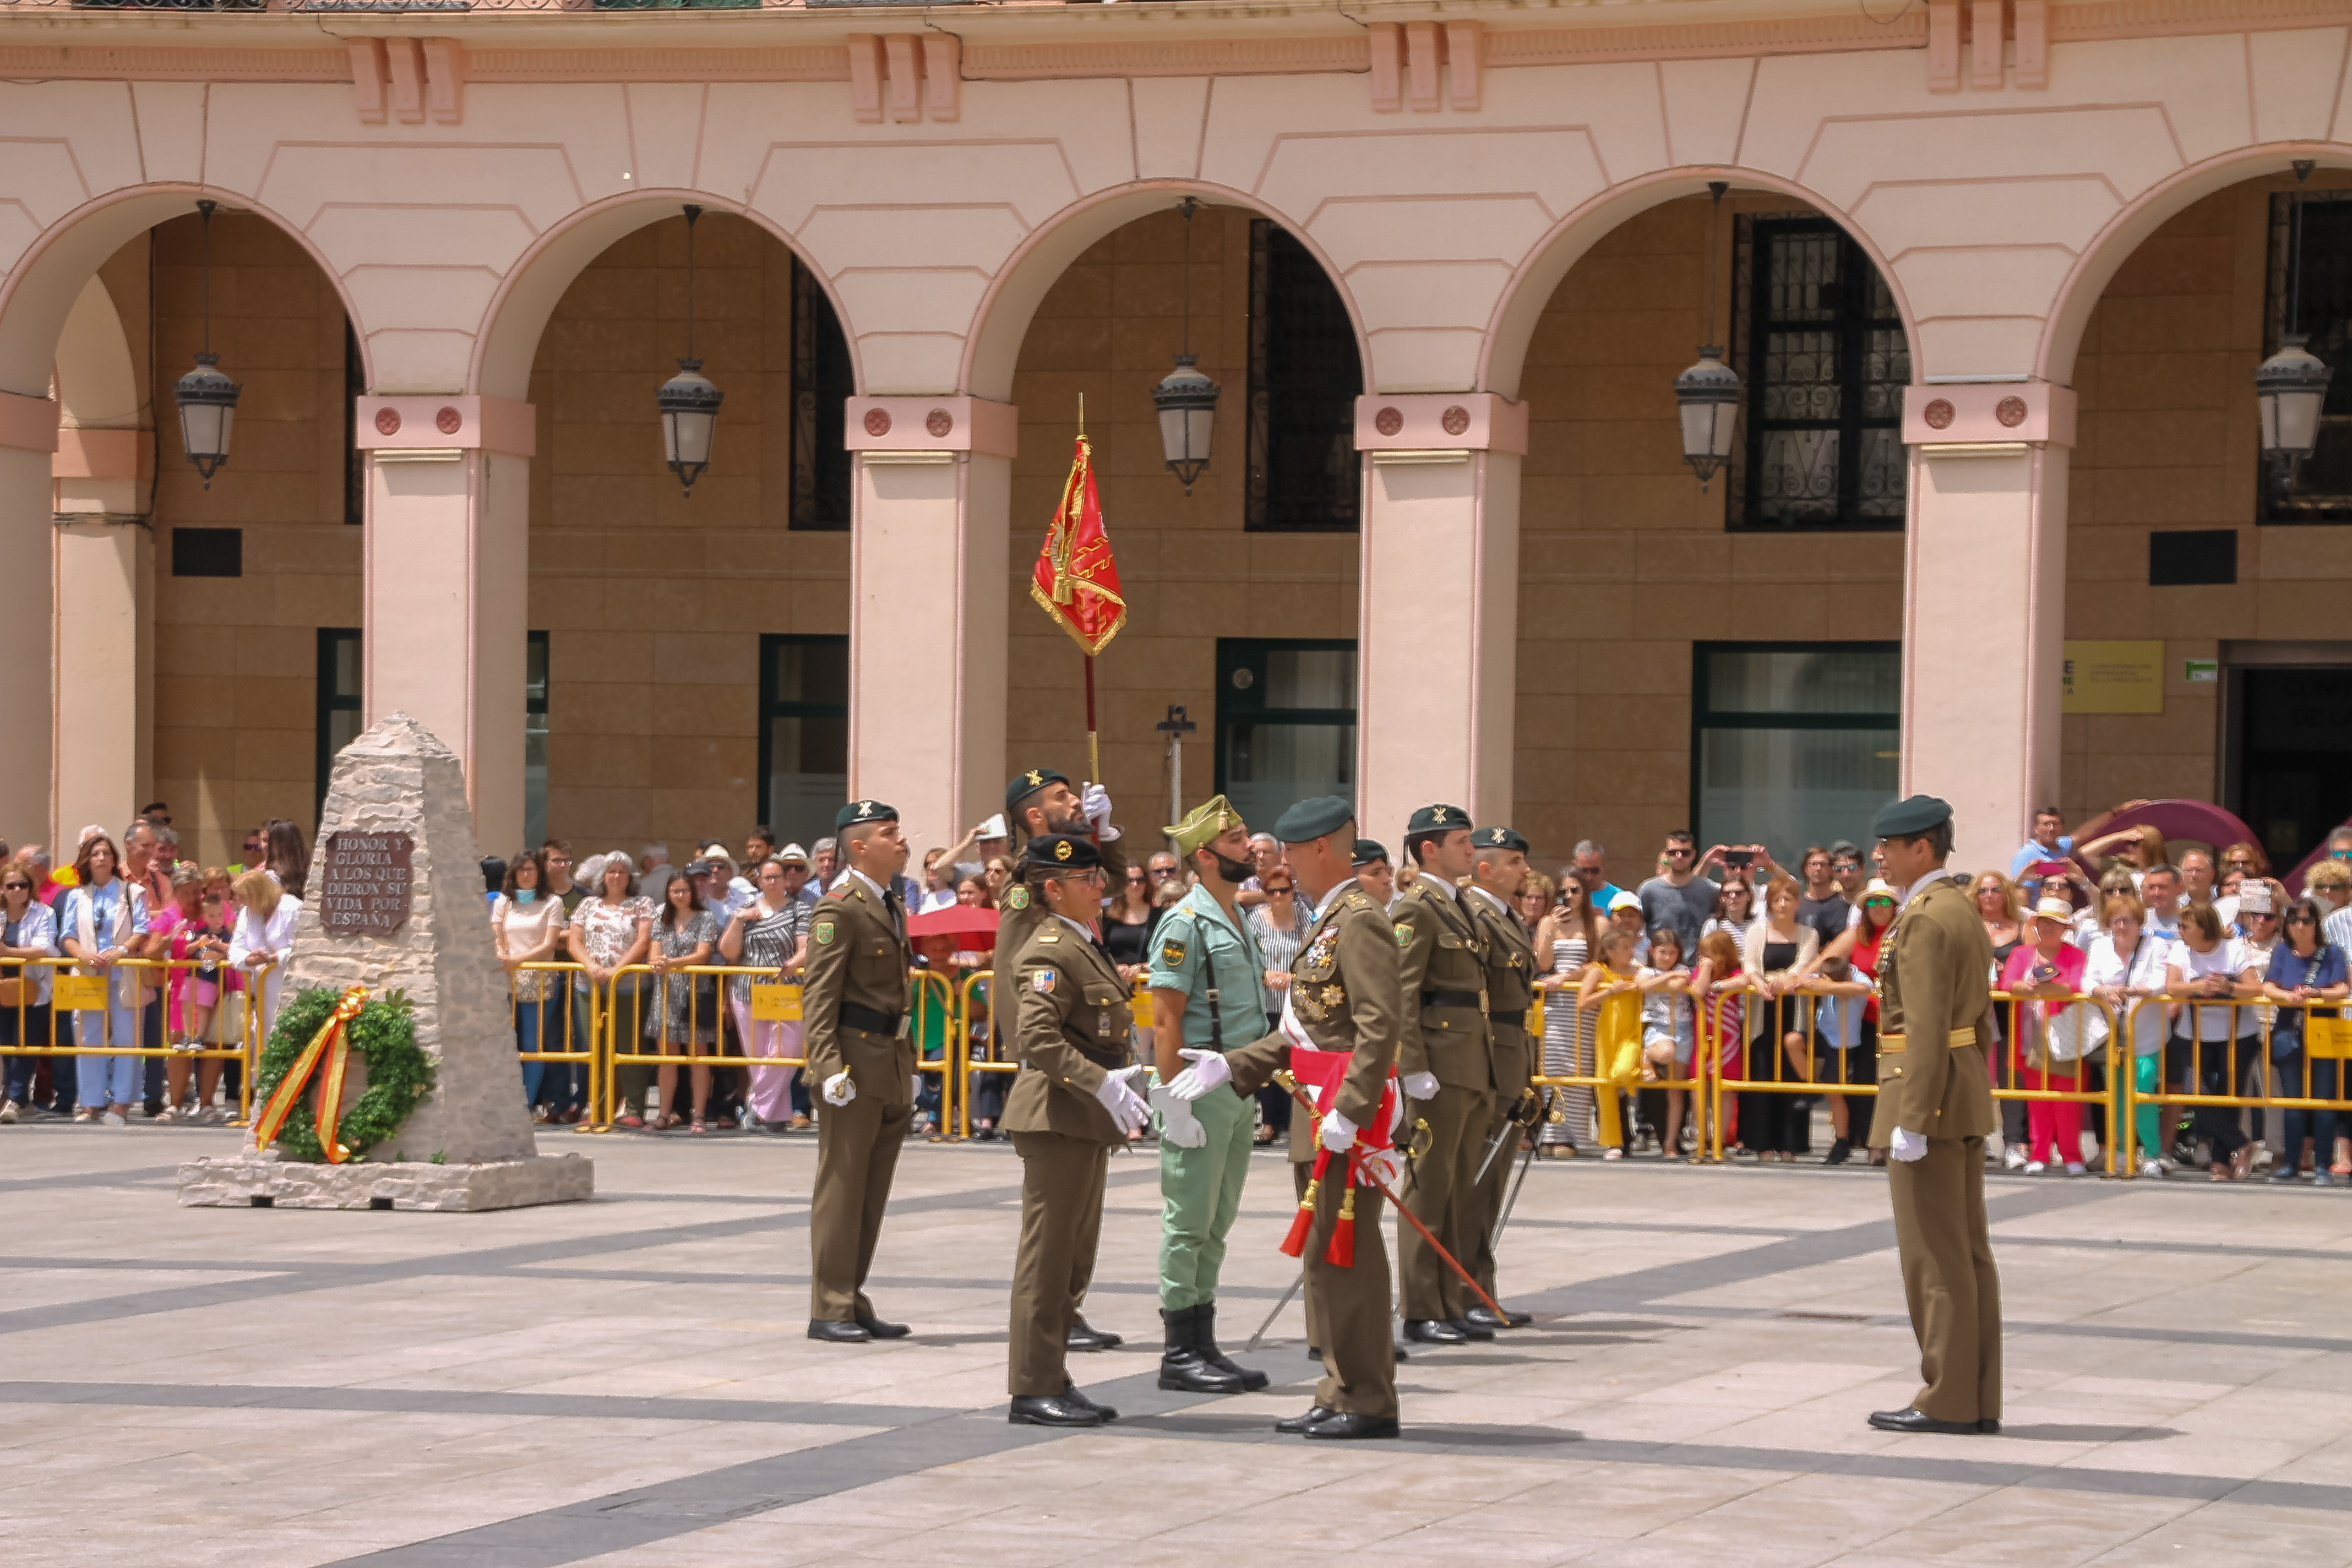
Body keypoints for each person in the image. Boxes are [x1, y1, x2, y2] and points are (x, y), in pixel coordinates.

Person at [1166, 794, 1405, 1441]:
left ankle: (1368, 1399)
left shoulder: (1358, 919)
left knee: (1347, 1255)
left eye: (1292, 853)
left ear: (1320, 848)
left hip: (1345, 1110)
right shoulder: (1329, 919)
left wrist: (1352, 1113)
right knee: (1330, 1258)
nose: (1281, 866)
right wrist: (1233, 1065)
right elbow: (1307, 1029)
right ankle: (1341, 1385)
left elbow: (1378, 1026)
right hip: (1322, 1102)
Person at [992, 832, 1147, 1425]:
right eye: (1085, 879)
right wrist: (1101, 1082)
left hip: (1081, 1116)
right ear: (1052, 889)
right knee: (1048, 1257)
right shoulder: (1049, 947)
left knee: (1074, 1258)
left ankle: (1053, 1373)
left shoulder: (1084, 943)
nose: (1098, 885)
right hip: (1056, 1114)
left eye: (1098, 876)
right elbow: (1036, 1038)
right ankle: (1032, 1385)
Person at [1866, 794, 2002, 1436]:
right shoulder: (1960, 907)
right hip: (1961, 1089)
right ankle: (1975, 1395)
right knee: (1967, 1252)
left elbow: (1922, 1030)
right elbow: (1983, 1022)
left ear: (1921, 846)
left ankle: (1946, 1397)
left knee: (1935, 1257)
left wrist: (1912, 1117)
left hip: (1929, 1097)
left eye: (1889, 846)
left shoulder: (1923, 918)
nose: (1880, 856)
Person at [1146, 797, 1275, 1395]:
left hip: (1235, 1086)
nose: (1249, 847)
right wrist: (1172, 1100)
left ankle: (1204, 1342)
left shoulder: (1236, 915)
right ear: (1205, 855)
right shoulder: (1186, 923)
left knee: (1217, 1220)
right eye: (1238, 839)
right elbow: (1167, 1020)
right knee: (1188, 1221)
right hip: (1196, 1090)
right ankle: (1179, 1350)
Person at [801, 799, 918, 1343]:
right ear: (859, 846)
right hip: (851, 1064)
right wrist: (827, 1069)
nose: (902, 842)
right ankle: (829, 1305)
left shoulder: (889, 902)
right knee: (843, 1188)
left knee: (871, 1192)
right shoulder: (839, 909)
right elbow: (818, 998)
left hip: (889, 1059)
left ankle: (852, 1294)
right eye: (890, 834)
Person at [1391, 804, 1495, 1346]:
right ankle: (1420, 1305)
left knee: (1457, 1189)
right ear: (1429, 848)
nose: (1471, 851)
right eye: (1461, 842)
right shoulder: (1417, 908)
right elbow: (1404, 991)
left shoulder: (1458, 904)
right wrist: (1413, 1068)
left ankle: (1450, 1299)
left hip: (1467, 1062)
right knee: (1428, 1189)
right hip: (1438, 1063)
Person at [1460, 826, 1537, 1324]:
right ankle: (1464, 1292)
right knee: (1474, 1184)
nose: (1525, 871)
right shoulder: (1477, 916)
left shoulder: (1506, 916)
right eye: (1514, 862)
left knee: (1491, 1186)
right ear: (1486, 868)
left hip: (1512, 1059)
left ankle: (1478, 1289)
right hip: (1489, 1062)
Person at [2164, 902, 2262, 1182]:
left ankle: (2220, 1163)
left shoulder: (2233, 950)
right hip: (2193, 1035)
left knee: (2229, 1097)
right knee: (2197, 1093)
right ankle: (2241, 1144)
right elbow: (2171, 987)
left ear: (2204, 928)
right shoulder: (2179, 950)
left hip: (2237, 1036)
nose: (2179, 931)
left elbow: (2255, 989)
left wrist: (2229, 987)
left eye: (2185, 926)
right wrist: (2198, 986)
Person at [59, 834, 149, 1125]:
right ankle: (90, 1103)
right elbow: (67, 936)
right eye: (95, 854)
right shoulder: (77, 895)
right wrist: (84, 955)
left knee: (127, 1037)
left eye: (106, 853)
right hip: (88, 974)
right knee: (87, 1038)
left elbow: (142, 929)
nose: (101, 858)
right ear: (87, 860)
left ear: (114, 859)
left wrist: (121, 950)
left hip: (123, 972)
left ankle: (122, 1101)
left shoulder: (132, 892)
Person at [721, 855, 814, 1131]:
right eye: (767, 877)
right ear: (759, 881)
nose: (772, 882)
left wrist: (793, 964)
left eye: (777, 877)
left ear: (786, 880)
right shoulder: (747, 909)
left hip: (785, 990)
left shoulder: (800, 910)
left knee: (786, 1050)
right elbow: (729, 952)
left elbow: (805, 947)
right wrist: (738, 920)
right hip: (748, 990)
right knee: (759, 1054)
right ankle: (777, 1115)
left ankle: (757, 1105)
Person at [2002, 894, 2092, 1175]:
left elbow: (2076, 984)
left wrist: (2040, 987)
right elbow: (2007, 983)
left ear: (2065, 928)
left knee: (2068, 1099)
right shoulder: (2021, 954)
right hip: (2032, 1036)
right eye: (2044, 922)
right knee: (2037, 1098)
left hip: (2066, 1035)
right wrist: (2025, 987)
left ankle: (2071, 1156)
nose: (2049, 927)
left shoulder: (2076, 954)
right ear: (2036, 925)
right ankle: (2039, 1153)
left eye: (2055, 923)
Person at [998, 766, 1125, 959]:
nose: (1076, 801)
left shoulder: (1069, 863)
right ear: (1036, 816)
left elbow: (1115, 882)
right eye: (1061, 797)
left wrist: (1104, 830)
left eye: (1071, 793)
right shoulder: (1027, 876)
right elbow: (1011, 957)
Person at [2263, 896, 2346, 1185]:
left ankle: (2323, 1164)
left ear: (2316, 924)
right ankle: (2293, 1164)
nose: (2300, 925)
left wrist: (2316, 995)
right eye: (2294, 920)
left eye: (2307, 920)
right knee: (2293, 1101)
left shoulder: (2332, 953)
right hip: (2290, 1034)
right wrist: (2288, 997)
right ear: (2287, 925)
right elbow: (2268, 985)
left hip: (2324, 1033)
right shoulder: (2282, 952)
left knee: (2324, 1101)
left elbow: (2343, 988)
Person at [568, 853, 655, 1126]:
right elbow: (574, 941)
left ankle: (633, 1109)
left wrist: (618, 970)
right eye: (611, 872)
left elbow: (643, 941)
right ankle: (600, 1107)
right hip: (590, 986)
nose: (616, 876)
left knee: (629, 1048)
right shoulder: (587, 904)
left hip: (629, 986)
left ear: (631, 877)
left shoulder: (642, 904)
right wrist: (591, 967)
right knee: (597, 1047)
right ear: (602, 876)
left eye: (622, 872)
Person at [1739, 876, 1820, 1161]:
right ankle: (1762, 1143)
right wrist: (1758, 982)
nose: (1782, 904)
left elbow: (1804, 964)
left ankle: (1790, 1143)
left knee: (1791, 1078)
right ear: (1769, 904)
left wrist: (1786, 979)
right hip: (1763, 1014)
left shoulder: (1809, 934)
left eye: (1788, 899)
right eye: (1777, 900)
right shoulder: (1755, 932)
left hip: (1793, 1016)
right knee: (1761, 1077)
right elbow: (1749, 963)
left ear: (1798, 903)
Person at [493, 848, 569, 1119]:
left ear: (540, 873)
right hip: (505, 978)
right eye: (522, 870)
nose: (526, 875)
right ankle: (504, 1101)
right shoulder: (504, 900)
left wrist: (516, 960)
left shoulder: (552, 902)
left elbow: (549, 944)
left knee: (532, 1043)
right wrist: (503, 954)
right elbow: (498, 932)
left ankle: (525, 1105)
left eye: (531, 869)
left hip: (537, 978)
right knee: (505, 1042)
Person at [646, 867, 718, 1131]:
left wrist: (670, 963)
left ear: (692, 892)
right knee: (667, 1056)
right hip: (665, 995)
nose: (680, 895)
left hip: (696, 993)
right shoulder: (659, 921)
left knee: (698, 1055)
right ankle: (663, 1114)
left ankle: (698, 1114)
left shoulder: (706, 918)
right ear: (668, 893)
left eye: (685, 890)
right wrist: (659, 963)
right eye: (675, 891)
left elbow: (703, 954)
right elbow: (653, 955)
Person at [1535, 873, 1598, 1155]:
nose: (1569, 895)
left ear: (1584, 893)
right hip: (1555, 1005)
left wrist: (1568, 976)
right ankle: (1551, 1133)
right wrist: (1550, 931)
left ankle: (1575, 1137)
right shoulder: (1548, 922)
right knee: (1552, 1068)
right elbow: (1543, 962)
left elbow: (1598, 964)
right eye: (1564, 890)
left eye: (1575, 890)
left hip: (1583, 1005)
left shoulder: (1598, 922)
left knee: (1578, 1069)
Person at [1576, 926, 1647, 1158]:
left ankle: (1628, 1087)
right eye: (1625, 948)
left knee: (1622, 1072)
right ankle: (1613, 1143)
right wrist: (1611, 991)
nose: (1631, 951)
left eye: (1631, 947)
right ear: (1610, 952)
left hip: (1632, 1033)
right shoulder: (1600, 971)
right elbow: (1583, 1001)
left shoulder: (1638, 971)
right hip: (1607, 1033)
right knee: (1605, 1087)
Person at [1, 861, 60, 1123]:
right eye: (10, 885)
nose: (16, 890)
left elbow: (46, 948)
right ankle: (17, 1099)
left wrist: (8, 953)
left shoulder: (44, 913)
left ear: (30, 888)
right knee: (6, 1047)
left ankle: (15, 1099)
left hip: (32, 989)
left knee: (25, 1045)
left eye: (22, 885)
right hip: (2, 990)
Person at [1636, 924, 1696, 1160]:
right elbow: (1642, 985)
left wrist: (1667, 976)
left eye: (1672, 953)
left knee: (1676, 1092)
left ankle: (1669, 1143)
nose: (1668, 958)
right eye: (1662, 953)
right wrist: (1666, 977)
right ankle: (1647, 1056)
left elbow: (1677, 984)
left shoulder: (1681, 968)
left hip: (1684, 1028)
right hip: (1659, 1028)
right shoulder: (1645, 970)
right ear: (1652, 951)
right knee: (1666, 1053)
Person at [227, 867, 301, 1045]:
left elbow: (302, 949)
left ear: (256, 894)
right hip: (258, 988)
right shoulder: (248, 912)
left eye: (243, 896)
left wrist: (273, 958)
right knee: (260, 1042)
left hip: (285, 985)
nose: (240, 901)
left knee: (286, 1037)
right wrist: (248, 959)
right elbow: (235, 949)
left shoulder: (292, 908)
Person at [1637, 830, 1714, 956]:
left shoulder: (1708, 889)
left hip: (1698, 966)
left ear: (1694, 854)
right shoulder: (1649, 890)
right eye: (1672, 852)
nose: (1679, 857)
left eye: (1685, 853)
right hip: (1662, 966)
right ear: (1666, 854)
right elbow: (1639, 929)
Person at [1102, 861, 1159, 979]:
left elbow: (1165, 955)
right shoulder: (1105, 914)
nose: (1135, 885)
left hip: (1148, 985)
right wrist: (1115, 967)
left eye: (1140, 880)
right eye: (1130, 880)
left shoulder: (1160, 915)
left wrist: (1142, 967)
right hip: (1115, 981)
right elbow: (1099, 951)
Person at [2007, 807, 2075, 880]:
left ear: (2062, 827)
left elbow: (2080, 836)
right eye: (2046, 824)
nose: (2051, 829)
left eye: (2055, 824)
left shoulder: (2063, 845)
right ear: (2035, 829)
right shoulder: (2027, 854)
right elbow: (2020, 889)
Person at [1570, 839, 1623, 910]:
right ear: (1574, 866)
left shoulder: (1619, 897)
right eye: (1583, 871)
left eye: (1595, 871)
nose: (1589, 877)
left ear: (1604, 866)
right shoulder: (1565, 895)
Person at [1352, 840, 1395, 909]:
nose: (1388, 879)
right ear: (1350, 880)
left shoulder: (1400, 906)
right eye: (1375, 873)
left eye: (1387, 871)